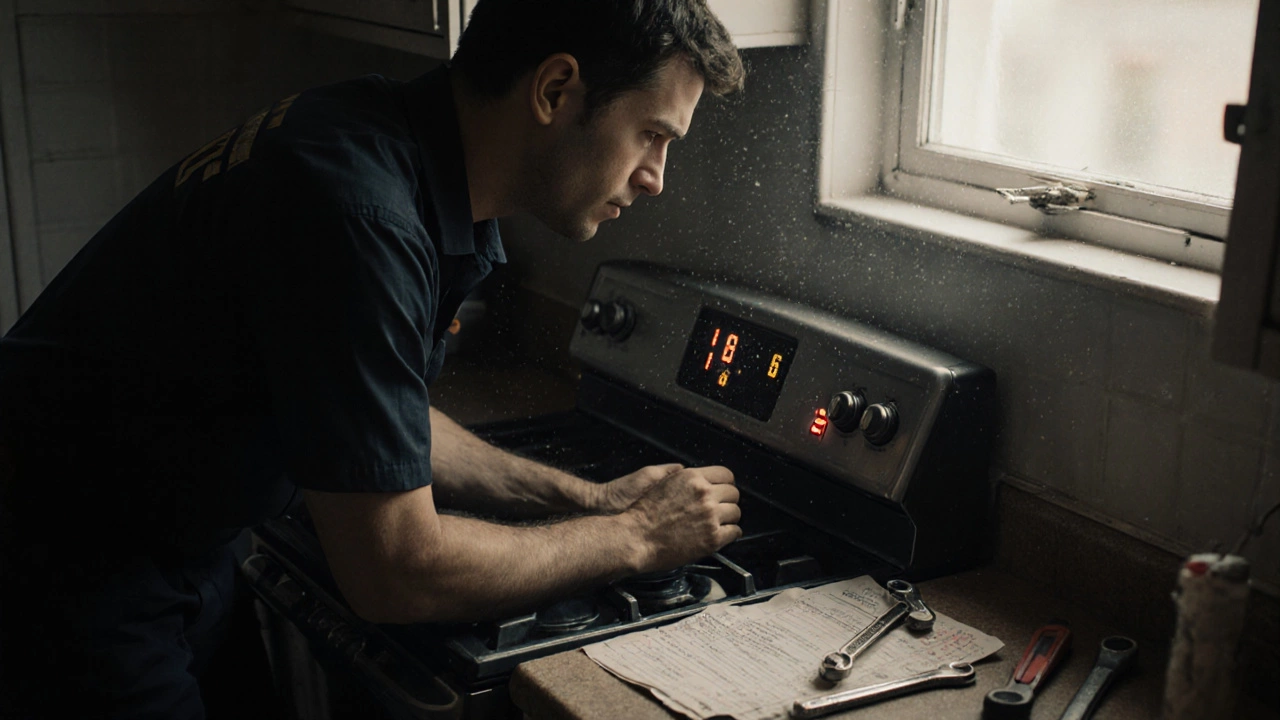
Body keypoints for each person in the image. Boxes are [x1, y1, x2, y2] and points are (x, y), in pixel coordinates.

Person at [0, 0, 746, 717]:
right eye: (653, 134)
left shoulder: (385, 139)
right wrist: (637, 537)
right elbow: (397, 571)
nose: (656, 175)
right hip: (63, 559)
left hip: (170, 540)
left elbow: (383, 421)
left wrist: (589, 500)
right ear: (555, 89)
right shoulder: (361, 213)